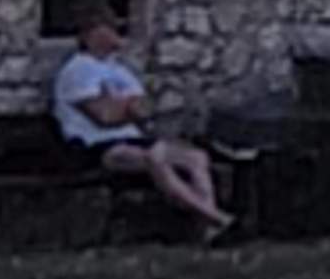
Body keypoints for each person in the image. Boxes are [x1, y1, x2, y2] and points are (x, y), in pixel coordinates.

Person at [50, 17, 229, 241]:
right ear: (89, 37)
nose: (115, 35)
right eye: (107, 31)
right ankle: (216, 218)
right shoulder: (78, 70)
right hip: (97, 145)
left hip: (133, 137)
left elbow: (144, 109)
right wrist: (127, 108)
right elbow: (104, 116)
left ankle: (208, 228)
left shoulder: (120, 70)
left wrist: (121, 107)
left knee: (196, 158)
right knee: (155, 159)